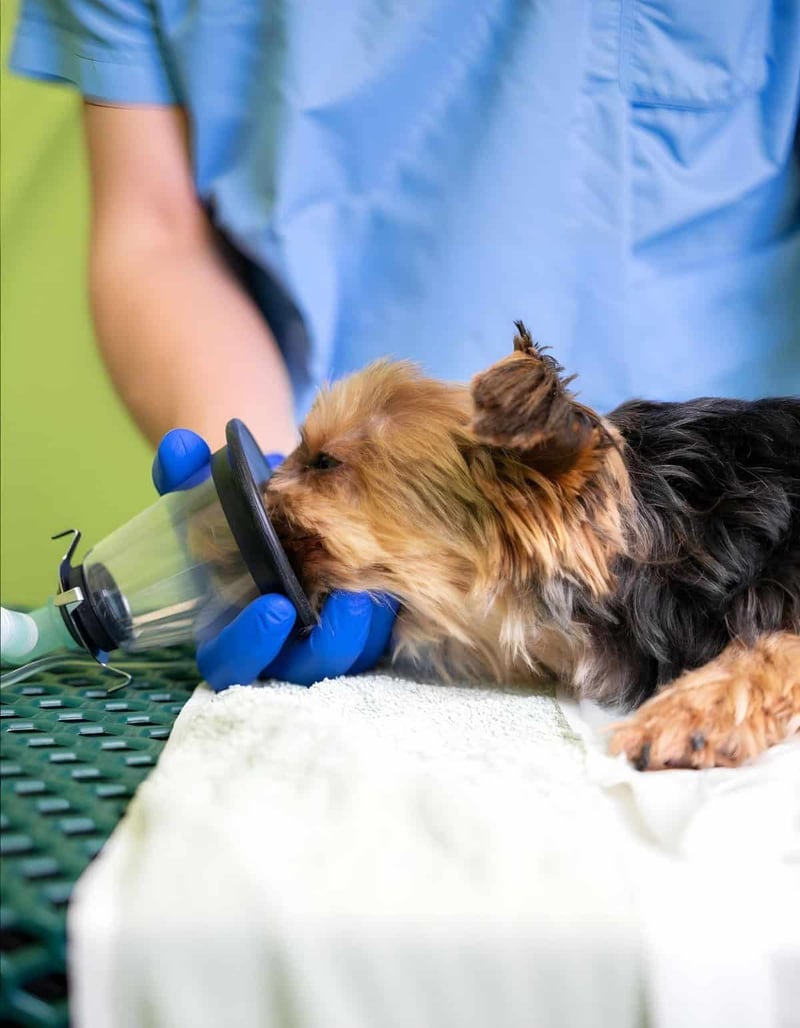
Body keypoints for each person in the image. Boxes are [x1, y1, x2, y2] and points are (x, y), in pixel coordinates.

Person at [11, 0, 800, 689]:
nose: (280, 483)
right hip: (449, 610)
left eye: (311, 465)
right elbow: (157, 235)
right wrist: (253, 503)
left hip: (724, 506)